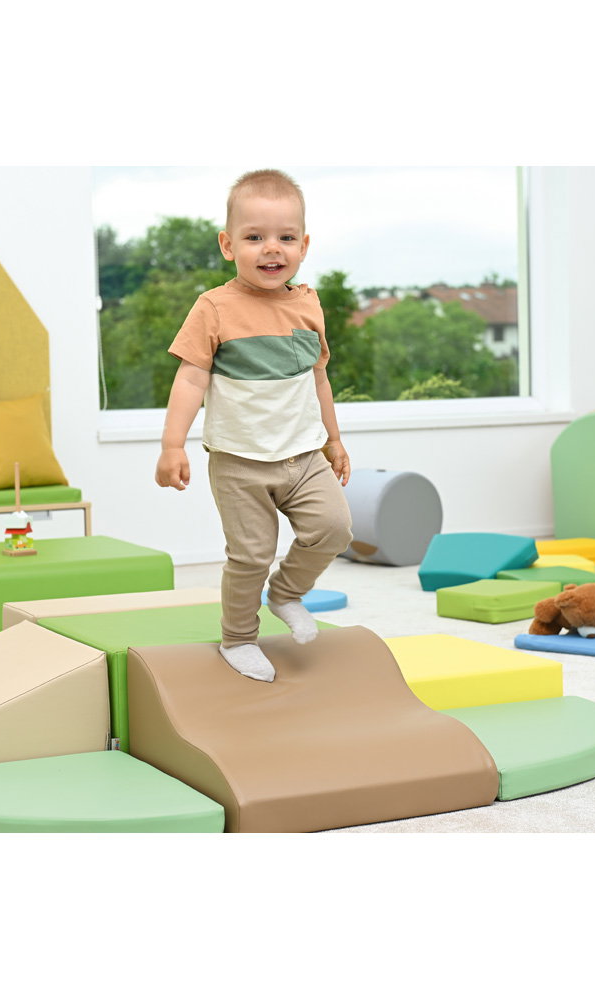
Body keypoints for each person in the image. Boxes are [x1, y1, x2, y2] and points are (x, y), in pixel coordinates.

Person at [155, 168, 353, 682]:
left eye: (286, 237)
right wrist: (172, 445)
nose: (272, 249)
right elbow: (190, 378)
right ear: (228, 245)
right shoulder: (214, 308)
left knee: (333, 528)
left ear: (304, 245)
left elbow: (318, 378)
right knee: (250, 556)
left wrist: (334, 440)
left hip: (304, 455)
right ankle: (239, 637)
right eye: (255, 237)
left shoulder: (307, 304)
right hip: (240, 461)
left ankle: (287, 593)